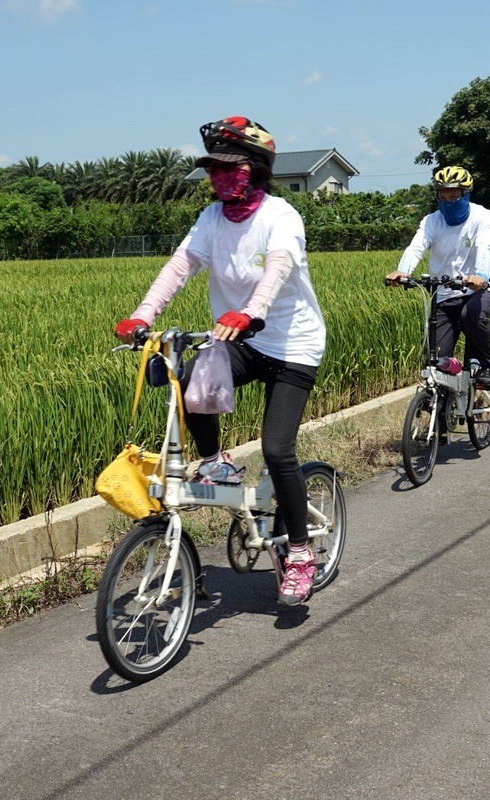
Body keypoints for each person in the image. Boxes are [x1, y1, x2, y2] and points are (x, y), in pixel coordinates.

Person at [114, 116, 327, 607]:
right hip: (241, 340)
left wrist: (251, 311)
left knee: (277, 450)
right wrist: (142, 314)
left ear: (256, 169)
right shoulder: (211, 219)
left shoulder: (281, 217)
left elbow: (278, 269)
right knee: (186, 373)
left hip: (292, 345)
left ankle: (298, 553)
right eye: (212, 167)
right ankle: (216, 464)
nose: (219, 176)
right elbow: (180, 266)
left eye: (230, 167)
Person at [385, 166, 490, 387]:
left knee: (472, 315)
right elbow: (416, 247)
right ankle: (440, 410)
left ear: (466, 195)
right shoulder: (431, 221)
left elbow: (484, 247)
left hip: (481, 289)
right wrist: (403, 271)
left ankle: (489, 363)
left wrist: (479, 275)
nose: (448, 202)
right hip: (445, 292)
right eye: (443, 197)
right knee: (436, 360)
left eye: (454, 197)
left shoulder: (483, 217)